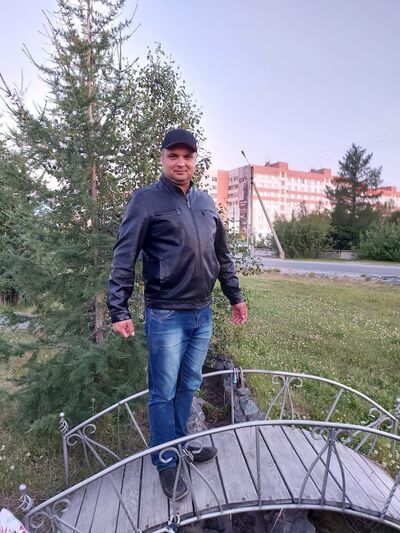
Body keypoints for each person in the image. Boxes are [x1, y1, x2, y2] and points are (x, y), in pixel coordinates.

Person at [107, 128, 248, 500]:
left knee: (188, 385)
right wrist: (118, 308)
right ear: (163, 158)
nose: (180, 163)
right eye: (173, 156)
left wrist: (235, 295)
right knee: (163, 392)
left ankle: (182, 442)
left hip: (203, 314)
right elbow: (124, 256)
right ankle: (166, 461)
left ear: (195, 160)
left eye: (187, 156)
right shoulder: (145, 201)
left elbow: (222, 255)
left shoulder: (205, 203)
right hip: (166, 315)